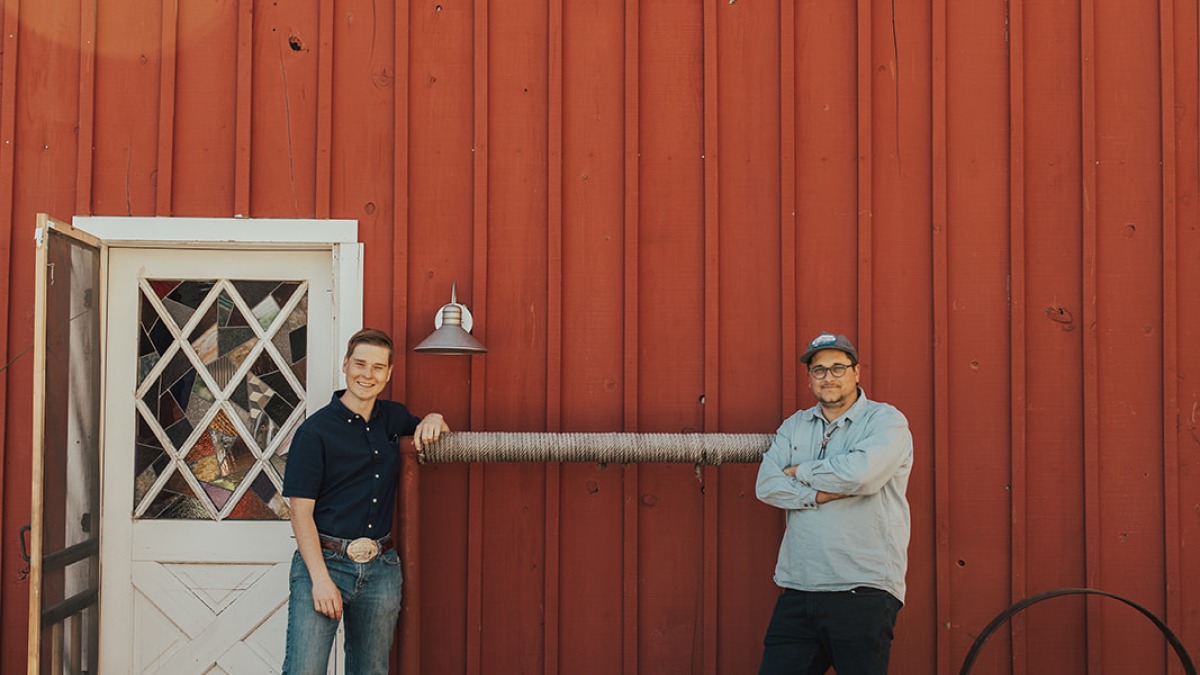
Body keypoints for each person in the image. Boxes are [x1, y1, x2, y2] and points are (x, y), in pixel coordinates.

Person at [281, 328, 449, 674]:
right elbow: (300, 512)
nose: (366, 375)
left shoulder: (394, 418)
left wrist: (435, 418)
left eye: (377, 368)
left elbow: (427, 427)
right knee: (304, 669)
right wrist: (320, 579)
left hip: (380, 569)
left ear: (388, 374)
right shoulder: (314, 433)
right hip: (327, 563)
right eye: (359, 364)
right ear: (345, 365)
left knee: (370, 671)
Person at [756, 332, 913, 675]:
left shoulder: (885, 422)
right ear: (810, 378)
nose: (828, 377)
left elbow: (861, 475)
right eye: (819, 370)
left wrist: (801, 471)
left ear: (857, 372)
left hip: (862, 589)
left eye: (838, 368)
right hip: (799, 587)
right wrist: (817, 495)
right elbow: (767, 485)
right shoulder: (795, 426)